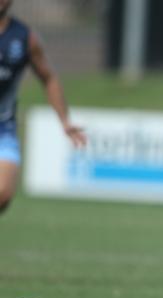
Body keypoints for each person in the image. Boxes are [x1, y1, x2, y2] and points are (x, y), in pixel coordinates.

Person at [0, 0, 86, 215]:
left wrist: (64, 121)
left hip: (4, 128)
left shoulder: (24, 37)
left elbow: (48, 78)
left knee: (3, 193)